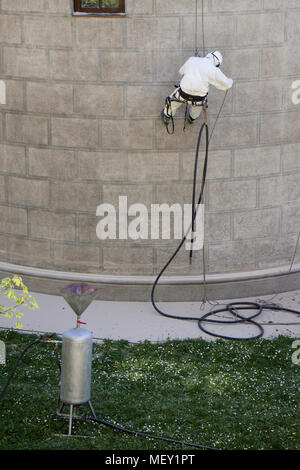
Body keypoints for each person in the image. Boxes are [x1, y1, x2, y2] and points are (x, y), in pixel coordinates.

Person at [161, 51, 233, 126]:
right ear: (217, 63)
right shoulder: (214, 70)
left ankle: (167, 116)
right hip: (199, 98)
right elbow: (226, 84)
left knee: (172, 102)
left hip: (183, 93)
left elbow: (181, 71)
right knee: (197, 108)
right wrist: (230, 81)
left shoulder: (192, 59)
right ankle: (192, 119)